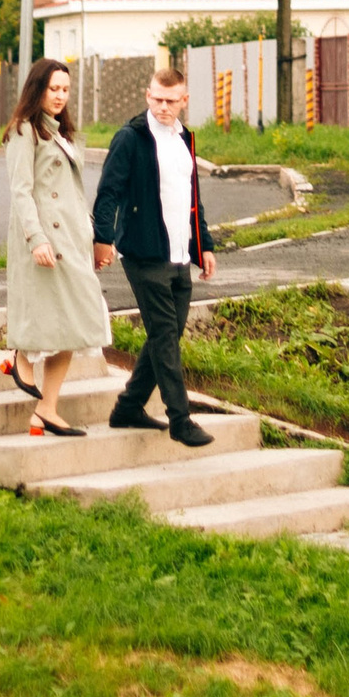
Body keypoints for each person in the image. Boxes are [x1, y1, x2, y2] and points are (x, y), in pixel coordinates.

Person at [90, 65, 216, 446]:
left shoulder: (184, 140)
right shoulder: (131, 138)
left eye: (171, 101)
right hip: (144, 254)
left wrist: (204, 245)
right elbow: (108, 192)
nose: (163, 107)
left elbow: (192, 200)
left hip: (179, 256)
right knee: (165, 337)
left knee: (167, 333)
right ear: (148, 96)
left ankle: (128, 407)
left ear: (184, 100)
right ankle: (181, 419)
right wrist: (103, 238)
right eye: (157, 99)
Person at [1, 58, 109, 436]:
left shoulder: (63, 132)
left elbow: (75, 197)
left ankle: (46, 410)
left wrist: (96, 238)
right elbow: (21, 191)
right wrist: (36, 239)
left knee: (74, 324)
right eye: (53, 89)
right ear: (38, 89)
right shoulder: (23, 131)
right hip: (45, 240)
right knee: (48, 317)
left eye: (65, 89)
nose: (60, 96)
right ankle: (19, 354)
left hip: (72, 239)